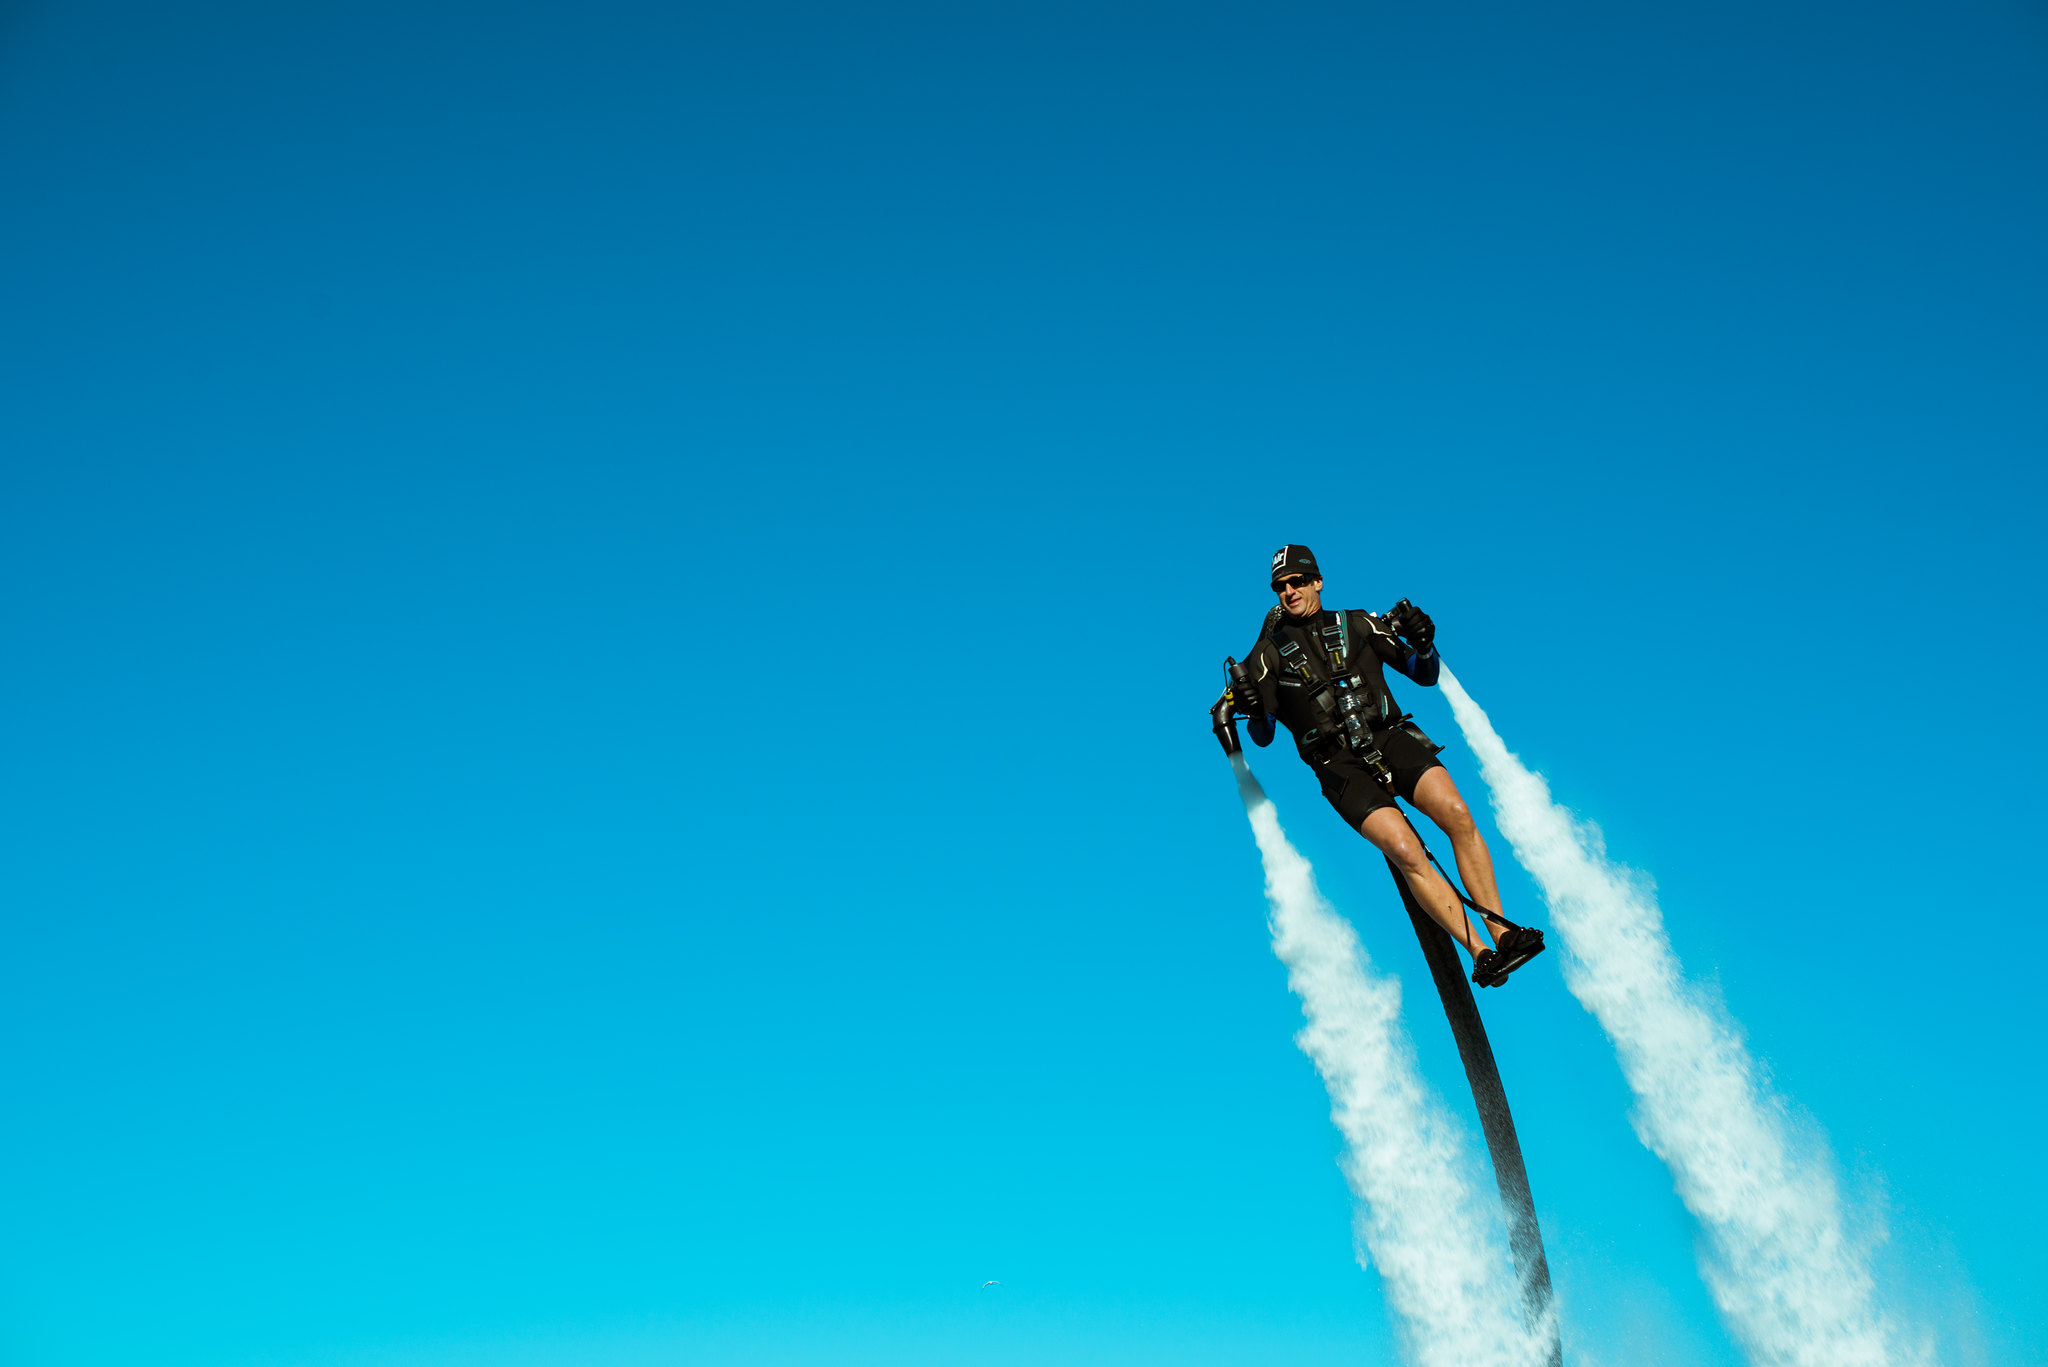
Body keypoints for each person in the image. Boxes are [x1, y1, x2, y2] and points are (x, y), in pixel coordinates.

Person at [1227, 544, 1544, 987]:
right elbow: (1263, 736)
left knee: (1457, 815)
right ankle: (1481, 952)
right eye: (1280, 586)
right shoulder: (1265, 656)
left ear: (1317, 580)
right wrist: (1254, 709)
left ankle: (1503, 933)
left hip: (1390, 736)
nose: (1290, 591)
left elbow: (1424, 672)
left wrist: (1425, 642)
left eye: (1297, 581)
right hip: (1338, 765)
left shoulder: (1358, 623)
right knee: (1405, 850)